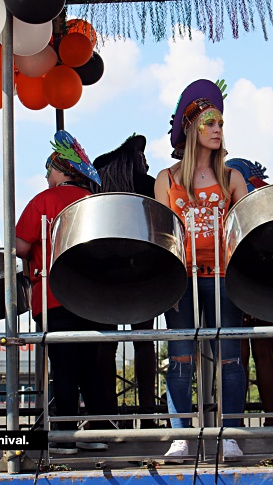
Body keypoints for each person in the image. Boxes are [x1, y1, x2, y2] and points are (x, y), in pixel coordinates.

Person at [154, 79, 248, 462]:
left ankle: (231, 433)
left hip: (223, 277)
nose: (217, 130)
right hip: (182, 277)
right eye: (209, 123)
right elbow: (160, 234)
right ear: (192, 129)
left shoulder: (232, 178)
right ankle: (182, 435)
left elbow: (247, 231)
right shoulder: (168, 178)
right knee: (179, 356)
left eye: (220, 124)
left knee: (230, 356)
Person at [16, 130, 113, 455]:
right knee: (90, 363)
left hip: (53, 293)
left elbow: (20, 246)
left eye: (49, 170)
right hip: (91, 295)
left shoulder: (44, 200)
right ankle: (99, 432)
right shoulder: (92, 202)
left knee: (64, 364)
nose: (46, 176)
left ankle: (65, 434)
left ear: (61, 169)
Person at [92, 134, 159, 429]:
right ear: (132, 161)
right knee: (144, 344)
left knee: (105, 345)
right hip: (143, 272)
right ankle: (146, 414)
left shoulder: (100, 187)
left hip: (105, 274)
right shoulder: (148, 186)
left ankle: (107, 415)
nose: (146, 162)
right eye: (142, 158)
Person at [225, 158, 273, 427]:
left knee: (239, 356)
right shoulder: (267, 207)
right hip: (268, 284)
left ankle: (239, 419)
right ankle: (271, 420)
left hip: (240, 284)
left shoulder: (232, 210)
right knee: (266, 355)